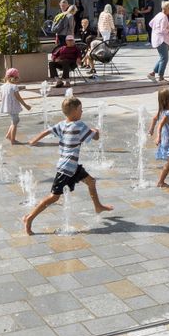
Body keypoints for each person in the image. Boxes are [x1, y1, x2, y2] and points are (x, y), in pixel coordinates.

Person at [24, 96, 112, 234]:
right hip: (66, 168)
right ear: (75, 111)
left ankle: (98, 206)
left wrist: (34, 140)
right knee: (54, 197)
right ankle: (30, 218)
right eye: (81, 109)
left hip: (72, 166)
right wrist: (96, 131)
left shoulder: (62, 124)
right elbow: (95, 137)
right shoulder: (79, 125)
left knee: (91, 182)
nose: (82, 111)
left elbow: (47, 131)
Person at [0, 68, 31, 144]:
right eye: (17, 78)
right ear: (14, 77)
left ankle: (8, 135)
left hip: (7, 106)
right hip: (13, 107)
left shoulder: (2, 86)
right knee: (15, 122)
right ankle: (12, 140)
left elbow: (2, 97)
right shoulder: (14, 87)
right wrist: (26, 105)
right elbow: (18, 97)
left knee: (14, 121)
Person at [147, 1, 169, 81]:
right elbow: (163, 30)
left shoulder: (158, 15)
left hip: (156, 38)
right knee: (165, 58)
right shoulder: (164, 17)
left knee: (162, 58)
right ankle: (161, 77)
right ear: (167, 8)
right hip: (162, 40)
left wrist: (155, 30)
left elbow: (150, 24)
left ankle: (152, 73)